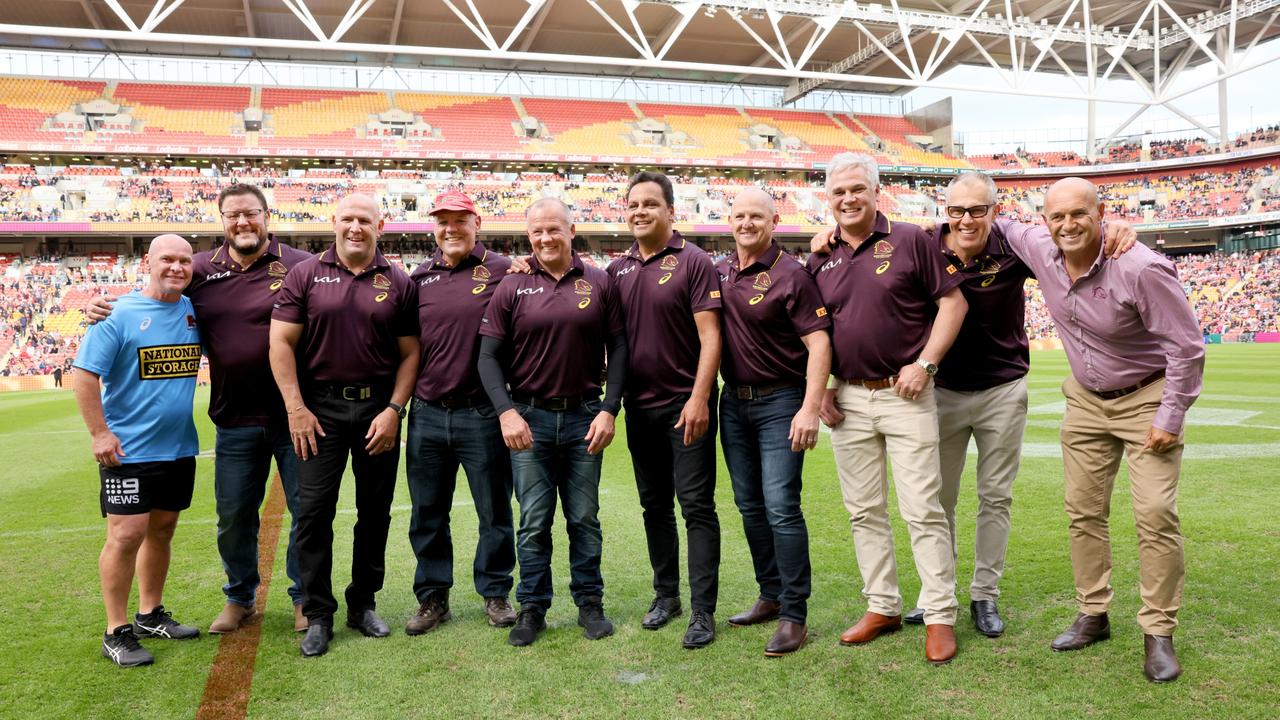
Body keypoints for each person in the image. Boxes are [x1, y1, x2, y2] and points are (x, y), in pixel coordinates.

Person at [996, 177, 1204, 683]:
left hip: (1145, 400)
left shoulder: (1140, 266)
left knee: (1155, 514)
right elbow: (992, 220)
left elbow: (1187, 348)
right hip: (1086, 402)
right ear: (1045, 221)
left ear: (1101, 213)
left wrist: (1169, 417)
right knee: (1083, 512)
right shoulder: (1037, 245)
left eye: (1079, 215)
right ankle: (1094, 612)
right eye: (1057, 216)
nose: (1067, 225)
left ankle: (1158, 631)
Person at [87, 183, 314, 635]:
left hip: (296, 417)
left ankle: (305, 598)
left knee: (307, 513)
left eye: (251, 213)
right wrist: (102, 306)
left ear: (267, 215)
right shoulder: (200, 270)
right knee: (233, 517)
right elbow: (155, 293)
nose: (243, 222)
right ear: (222, 220)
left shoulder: (302, 266)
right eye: (233, 215)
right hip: (233, 420)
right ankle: (239, 597)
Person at [809, 152, 968, 665]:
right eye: (838, 192)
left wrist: (926, 363)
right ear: (827, 200)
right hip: (849, 400)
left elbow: (953, 304)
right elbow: (819, 334)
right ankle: (883, 606)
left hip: (907, 395)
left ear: (876, 192)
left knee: (923, 508)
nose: (849, 199)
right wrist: (825, 387)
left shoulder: (911, 240)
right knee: (863, 512)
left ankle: (940, 614)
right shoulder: (821, 257)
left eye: (858, 189)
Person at [269, 193, 420, 658]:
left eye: (365, 221)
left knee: (374, 514)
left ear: (381, 225)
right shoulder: (305, 274)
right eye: (348, 220)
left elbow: (411, 353)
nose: (356, 228)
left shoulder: (398, 280)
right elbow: (280, 344)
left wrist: (394, 410)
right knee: (313, 515)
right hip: (320, 413)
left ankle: (363, 604)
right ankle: (318, 613)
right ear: (334, 223)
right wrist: (296, 408)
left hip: (378, 411)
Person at [476, 197, 628, 647]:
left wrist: (609, 408)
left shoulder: (599, 283)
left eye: (554, 230)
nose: (546, 238)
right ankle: (533, 607)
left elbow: (619, 350)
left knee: (584, 518)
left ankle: (589, 604)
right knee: (534, 520)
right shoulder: (512, 284)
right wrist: (506, 412)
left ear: (571, 229)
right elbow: (487, 358)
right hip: (529, 419)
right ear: (528, 236)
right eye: (537, 232)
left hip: (584, 416)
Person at [73, 234, 202, 668]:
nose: (177, 267)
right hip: (128, 450)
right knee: (125, 535)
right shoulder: (116, 314)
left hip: (180, 447)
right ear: (148, 262)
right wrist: (99, 433)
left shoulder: (191, 309)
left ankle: (150, 614)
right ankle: (116, 630)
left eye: (185, 260)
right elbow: (85, 376)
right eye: (168, 259)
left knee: (162, 530)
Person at [607, 171, 723, 649]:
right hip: (640, 408)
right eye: (633, 204)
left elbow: (711, 336)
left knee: (695, 506)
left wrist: (699, 398)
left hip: (685, 406)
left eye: (650, 204)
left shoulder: (694, 261)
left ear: (670, 211)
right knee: (653, 505)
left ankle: (702, 611)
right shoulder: (617, 270)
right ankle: (666, 595)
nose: (639, 211)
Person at [716, 188, 831, 657]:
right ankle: (770, 594)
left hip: (781, 401)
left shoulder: (792, 275)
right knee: (749, 505)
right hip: (733, 404)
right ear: (730, 221)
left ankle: (794, 615)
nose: (747, 223)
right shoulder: (718, 271)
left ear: (774, 220)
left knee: (781, 504)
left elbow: (820, 343)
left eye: (756, 216)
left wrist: (810, 406)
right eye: (739, 215)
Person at [403, 191, 518, 635]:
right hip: (428, 412)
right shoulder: (419, 278)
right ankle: (433, 597)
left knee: (494, 510)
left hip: (483, 413)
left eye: (459, 220)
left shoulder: (505, 271)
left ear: (476, 223)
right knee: (427, 512)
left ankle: (495, 591)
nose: (450, 228)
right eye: (442, 221)